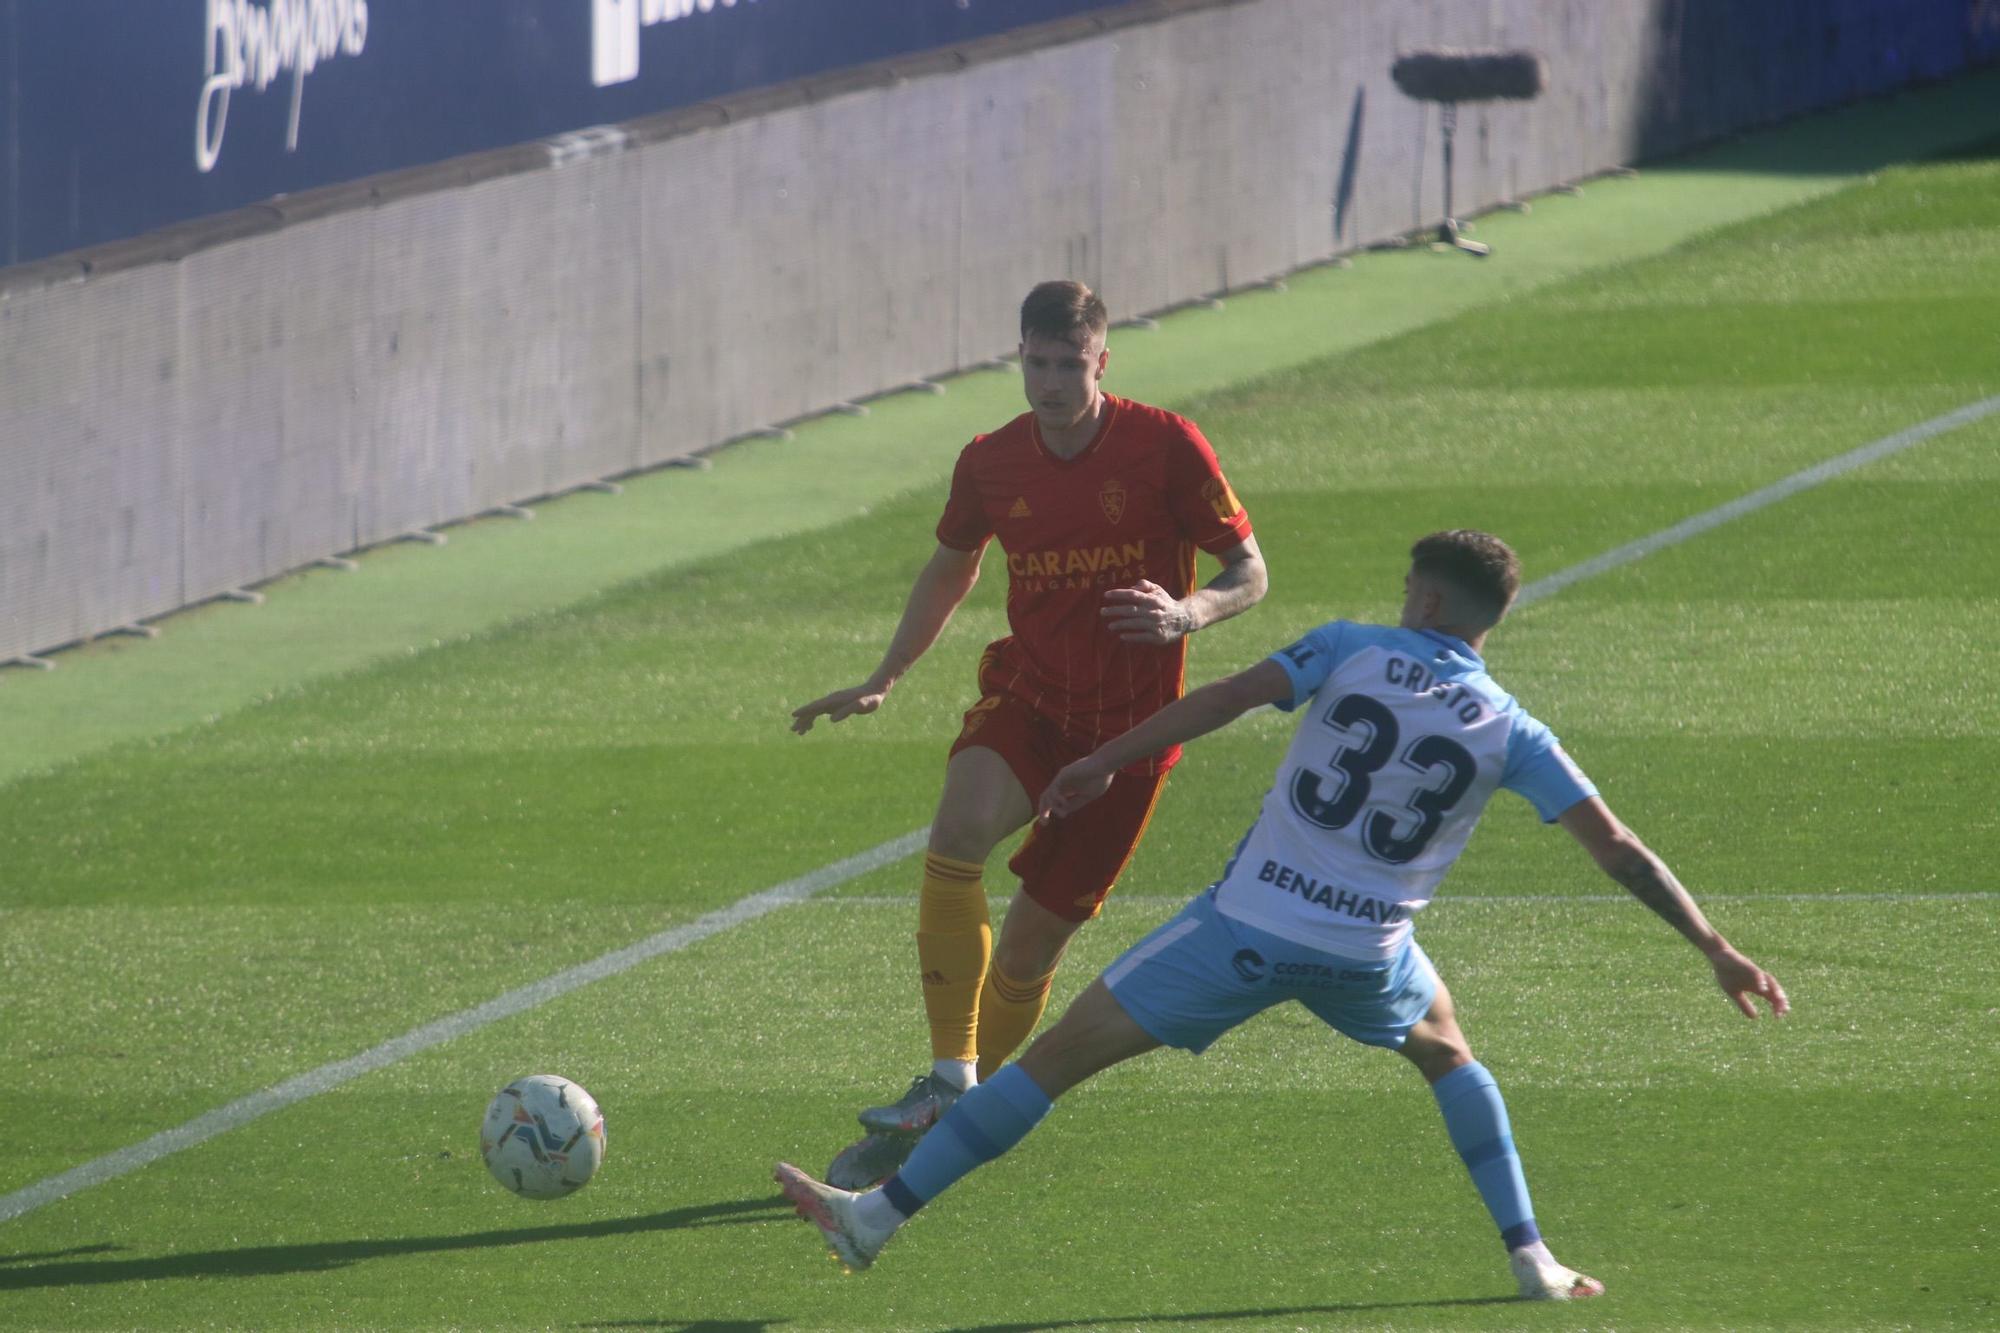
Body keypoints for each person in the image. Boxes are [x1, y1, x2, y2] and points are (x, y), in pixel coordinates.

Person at [776, 529, 1789, 1300]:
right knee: (1451, 1058)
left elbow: (1216, 701)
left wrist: (1097, 759)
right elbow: (1615, 845)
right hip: (1368, 954)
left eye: (1407, 588)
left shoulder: (1347, 649)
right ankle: (1530, 1255)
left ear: (1427, 596)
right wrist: (1713, 945)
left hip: (1244, 932)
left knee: (1047, 1063)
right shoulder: (1510, 726)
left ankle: (875, 1221)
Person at [789, 279, 1268, 1188]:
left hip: (1130, 736)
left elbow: (1250, 570)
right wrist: (884, 676)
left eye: (1068, 364)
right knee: (956, 830)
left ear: (1102, 359)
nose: (1050, 383)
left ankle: (958, 1110)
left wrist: (1189, 612)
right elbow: (952, 564)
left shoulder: (1164, 446)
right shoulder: (991, 462)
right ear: (1021, 355)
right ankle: (945, 1076)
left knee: (1026, 953)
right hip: (1033, 700)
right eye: (1035, 362)